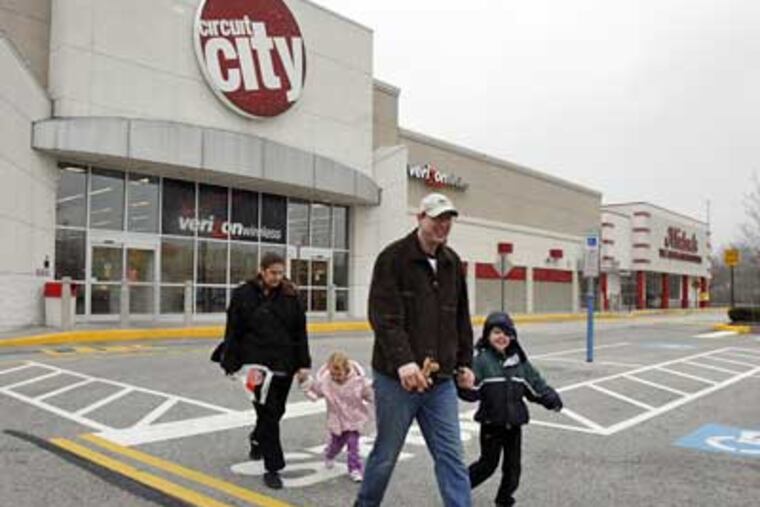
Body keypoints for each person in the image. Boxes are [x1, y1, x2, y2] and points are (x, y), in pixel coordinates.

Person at [355, 192, 475, 507]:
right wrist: (404, 362)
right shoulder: (393, 258)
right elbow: (384, 318)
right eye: (436, 218)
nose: (443, 225)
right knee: (386, 455)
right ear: (420, 218)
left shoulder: (451, 264)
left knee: (451, 455)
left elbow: (460, 318)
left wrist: (465, 362)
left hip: (441, 381)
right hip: (397, 381)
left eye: (448, 218)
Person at [214, 252, 311, 490]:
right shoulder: (242, 295)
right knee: (267, 413)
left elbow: (300, 332)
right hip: (254, 365)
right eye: (273, 273)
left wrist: (303, 364)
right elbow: (233, 331)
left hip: (284, 362)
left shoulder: (291, 296)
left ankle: (257, 438)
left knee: (277, 410)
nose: (277, 277)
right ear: (262, 270)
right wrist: (230, 360)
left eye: (281, 273)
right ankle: (273, 467)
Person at [461, 311, 563, 507]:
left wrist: (550, 398)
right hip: (491, 423)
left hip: (514, 424)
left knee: (513, 468)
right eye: (497, 332)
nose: (502, 337)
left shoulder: (520, 362)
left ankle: (505, 499)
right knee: (488, 465)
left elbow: (535, 385)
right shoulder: (481, 361)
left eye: (507, 333)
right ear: (487, 335)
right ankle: (457, 488)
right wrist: (464, 384)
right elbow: (472, 390)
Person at [303, 351, 374, 482]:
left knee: (353, 445)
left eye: (339, 374)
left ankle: (355, 469)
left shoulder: (359, 381)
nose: (336, 377)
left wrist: (378, 395)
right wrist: (306, 384)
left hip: (354, 418)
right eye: (333, 374)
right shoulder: (326, 381)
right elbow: (316, 392)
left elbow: (369, 394)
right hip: (337, 419)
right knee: (336, 444)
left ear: (346, 370)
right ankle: (330, 454)